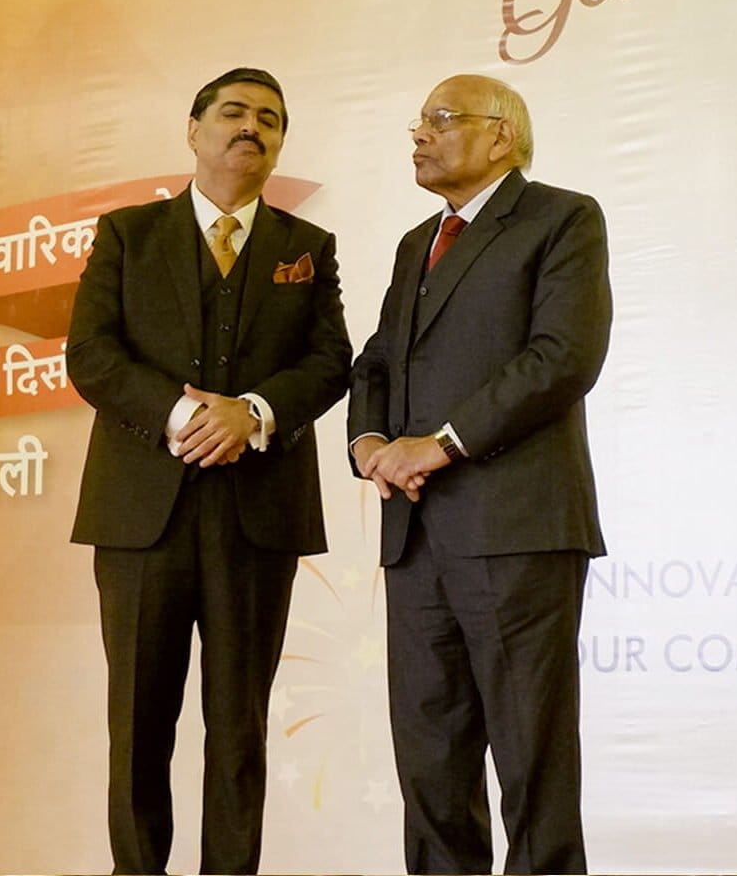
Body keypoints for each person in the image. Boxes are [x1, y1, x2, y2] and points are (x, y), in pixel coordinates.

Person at [67, 67, 351, 875]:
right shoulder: (127, 234)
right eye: (233, 111)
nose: (250, 126)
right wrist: (182, 416)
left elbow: (331, 361)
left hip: (257, 520)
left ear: (280, 144)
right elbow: (91, 354)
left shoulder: (307, 248)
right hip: (140, 516)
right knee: (137, 724)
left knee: (238, 730)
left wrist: (252, 412)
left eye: (270, 118)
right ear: (193, 130)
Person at [348, 74, 611, 875]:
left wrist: (441, 443)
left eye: (441, 119)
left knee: (532, 761)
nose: (419, 134)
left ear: (501, 135)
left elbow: (563, 356)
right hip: (415, 536)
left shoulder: (562, 218)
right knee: (430, 763)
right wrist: (369, 441)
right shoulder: (415, 243)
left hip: (516, 528)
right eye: (418, 122)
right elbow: (379, 361)